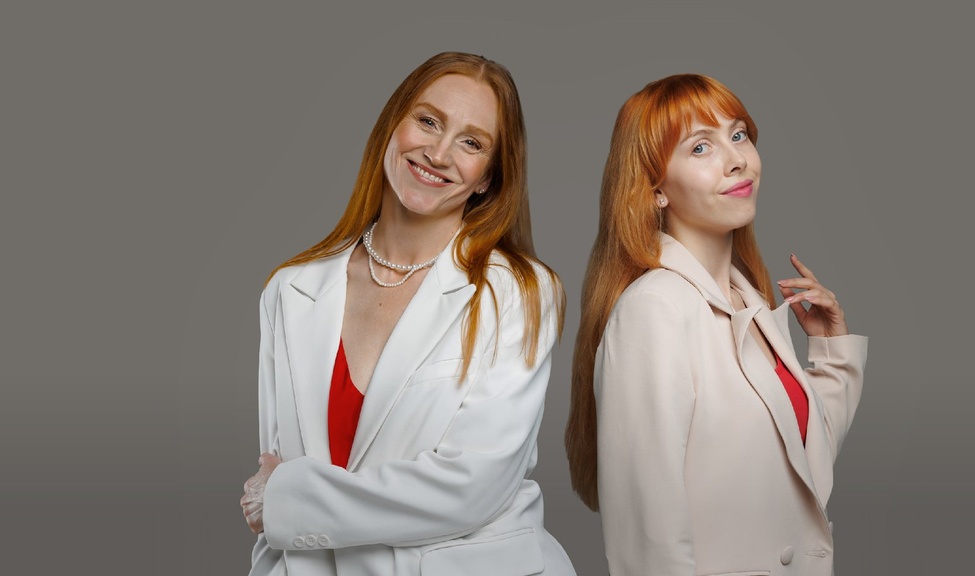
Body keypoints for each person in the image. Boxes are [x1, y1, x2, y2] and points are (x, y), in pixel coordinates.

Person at [240, 52, 576, 576]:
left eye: (471, 143)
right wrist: (280, 507)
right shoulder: (290, 291)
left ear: (488, 179)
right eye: (428, 121)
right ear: (391, 128)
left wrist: (289, 501)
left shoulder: (518, 292)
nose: (438, 153)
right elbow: (274, 476)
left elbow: (472, 487)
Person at [564, 74, 868, 576]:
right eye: (701, 147)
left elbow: (798, 473)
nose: (736, 159)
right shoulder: (654, 310)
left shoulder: (748, 300)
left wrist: (832, 353)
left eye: (738, 134)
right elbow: (651, 542)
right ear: (655, 189)